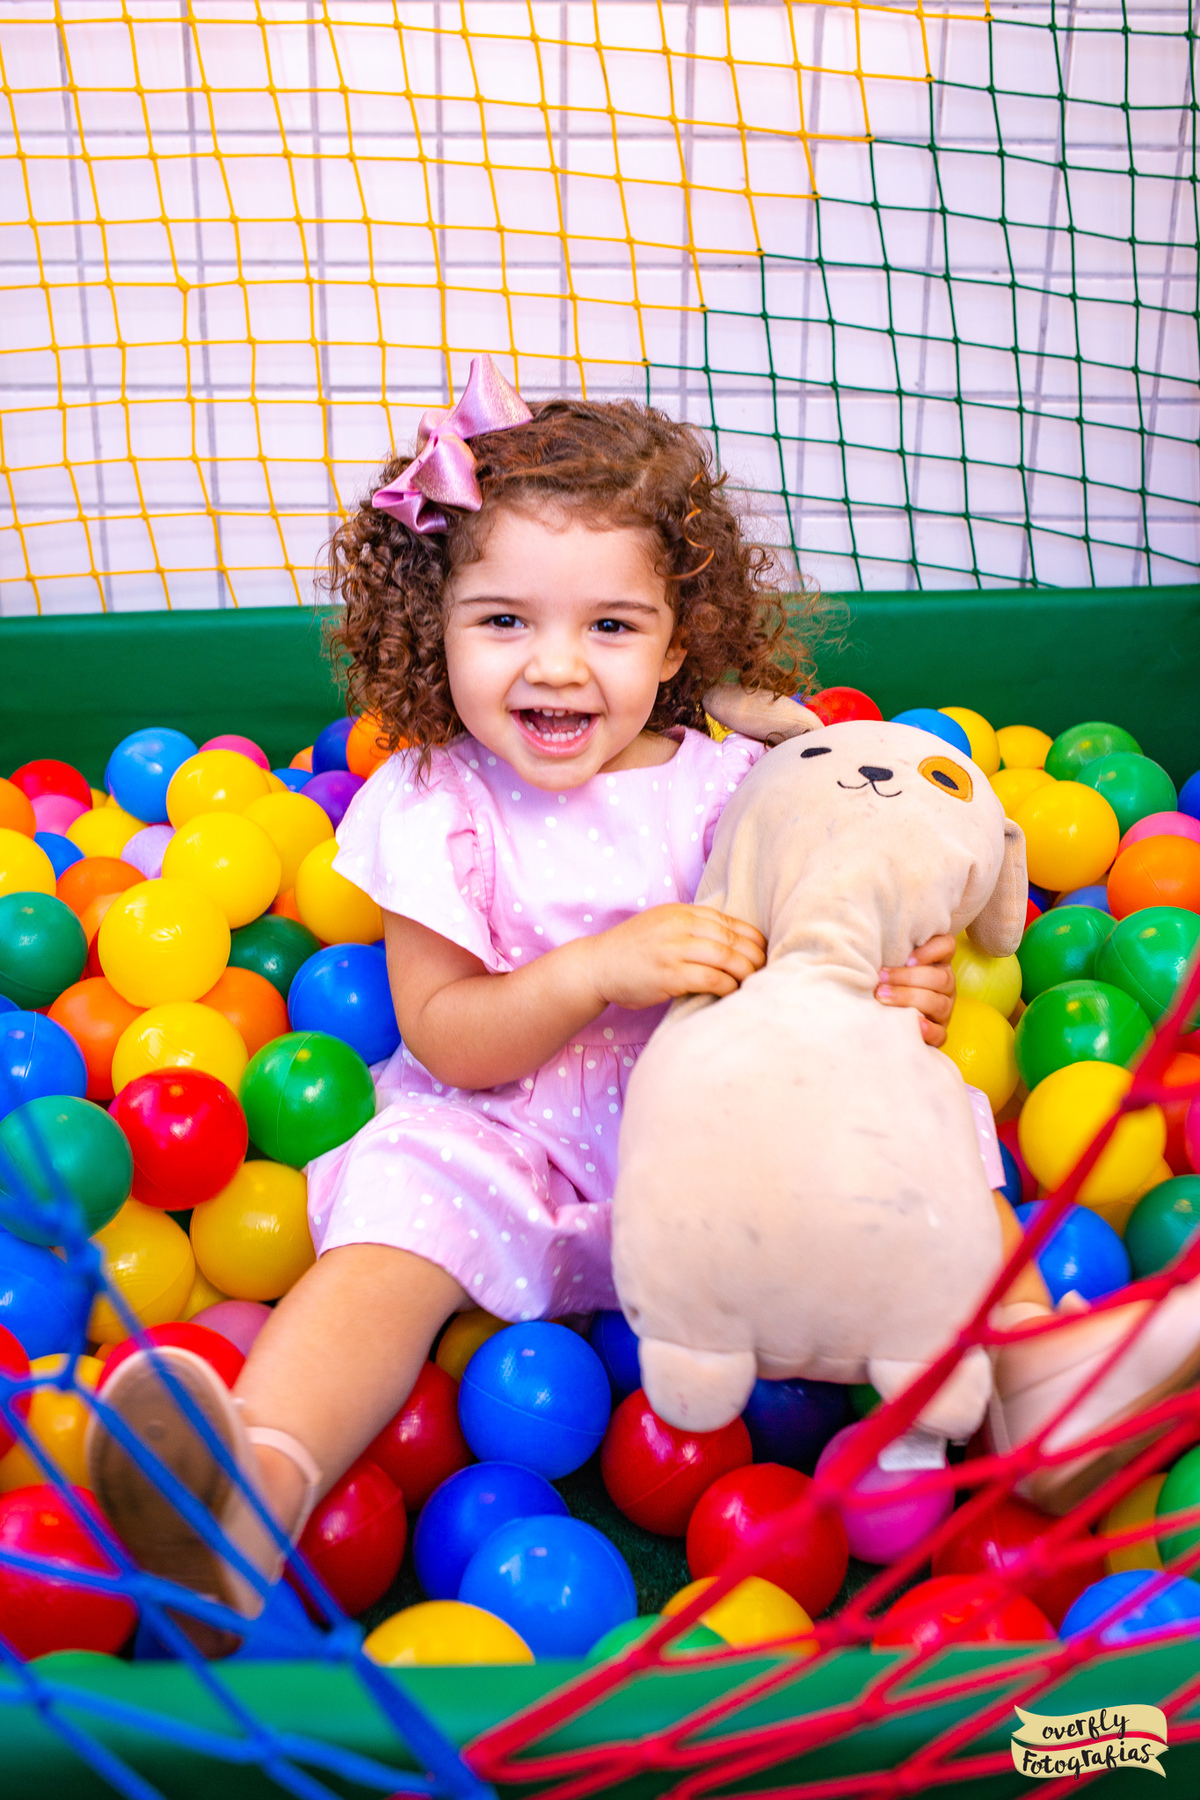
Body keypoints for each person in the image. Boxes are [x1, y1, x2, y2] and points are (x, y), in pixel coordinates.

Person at [87, 358, 973, 1640]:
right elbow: (448, 1035)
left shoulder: (736, 788)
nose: (555, 668)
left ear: (680, 641)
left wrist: (907, 992)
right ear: (429, 622)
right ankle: (253, 1494)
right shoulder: (435, 804)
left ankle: (1029, 1428)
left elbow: (833, 964)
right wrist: (592, 972)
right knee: (386, 1229)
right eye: (503, 620)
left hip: (715, 1163)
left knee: (898, 1194)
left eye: (609, 627)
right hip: (493, 1138)